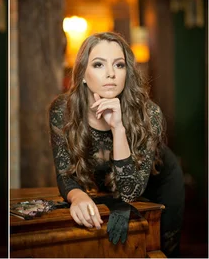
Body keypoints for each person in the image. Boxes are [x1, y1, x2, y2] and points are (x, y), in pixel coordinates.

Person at [49, 32, 184, 257]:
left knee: (159, 251)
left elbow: (131, 191)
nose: (111, 73)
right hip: (109, 188)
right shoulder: (63, 110)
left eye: (119, 65)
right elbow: (65, 173)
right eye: (99, 64)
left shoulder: (149, 114)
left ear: (127, 73)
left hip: (157, 185)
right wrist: (77, 195)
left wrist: (118, 128)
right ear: (83, 73)